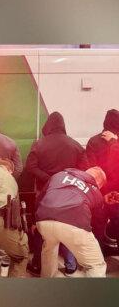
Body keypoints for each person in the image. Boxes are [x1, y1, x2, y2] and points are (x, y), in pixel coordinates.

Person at [25, 112, 88, 276]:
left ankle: (37, 263)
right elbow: (84, 169)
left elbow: (30, 167)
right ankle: (70, 264)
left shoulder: (39, 144)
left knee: (42, 227)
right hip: (69, 193)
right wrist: (67, 179)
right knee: (68, 225)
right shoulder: (75, 145)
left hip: (45, 192)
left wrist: (49, 179)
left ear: (48, 125)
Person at [35, 167, 112, 277]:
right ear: (98, 182)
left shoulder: (59, 175)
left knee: (49, 250)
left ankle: (47, 283)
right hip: (74, 224)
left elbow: (40, 198)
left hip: (44, 219)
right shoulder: (95, 191)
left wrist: (35, 221)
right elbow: (97, 222)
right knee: (96, 265)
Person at [86, 109, 119, 245]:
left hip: (99, 190)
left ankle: (99, 253)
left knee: (98, 223)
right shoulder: (116, 142)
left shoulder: (93, 141)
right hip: (116, 190)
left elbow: (90, 168)